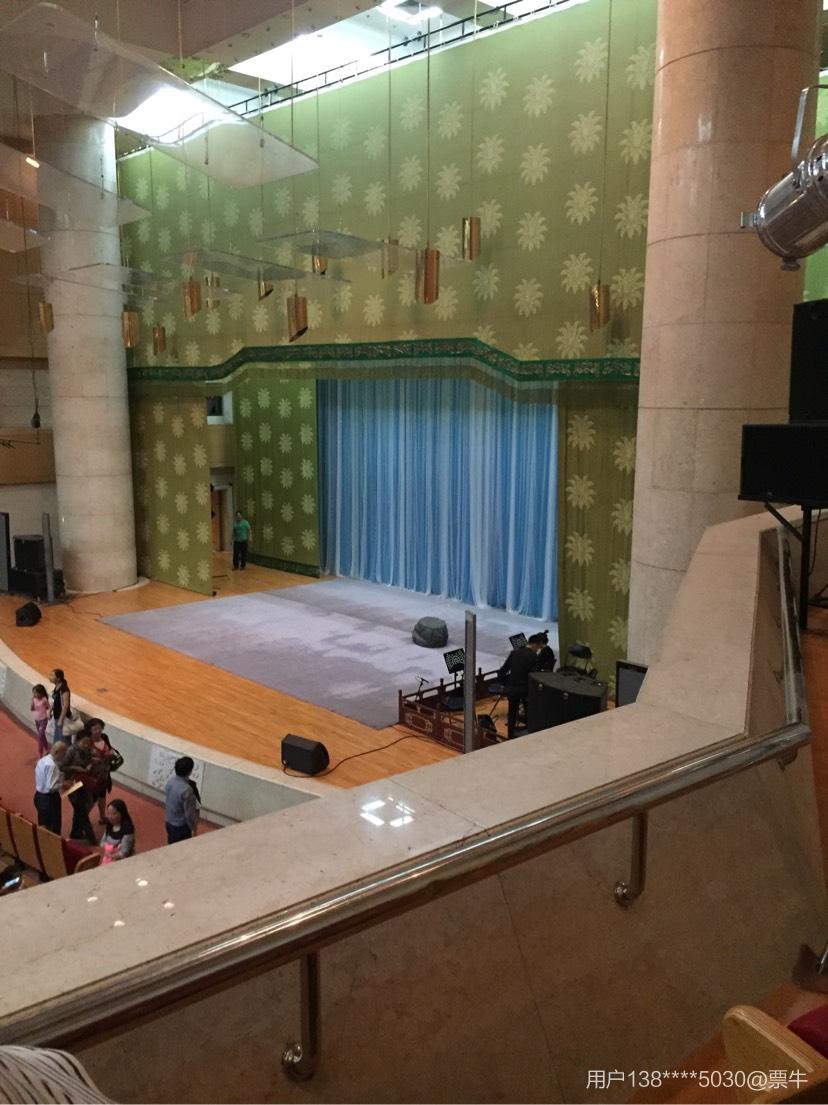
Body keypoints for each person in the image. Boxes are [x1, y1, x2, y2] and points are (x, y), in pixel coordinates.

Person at [498, 633, 544, 739]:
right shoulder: (533, 657)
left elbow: (502, 671)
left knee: (512, 713)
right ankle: (530, 734)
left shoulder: (514, 653)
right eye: (538, 648)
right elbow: (535, 676)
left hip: (512, 689)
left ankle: (510, 735)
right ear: (535, 645)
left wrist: (505, 684)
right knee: (530, 713)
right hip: (526, 690)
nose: (537, 650)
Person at [61, 736, 97, 844]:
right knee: (81, 810)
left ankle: (76, 832)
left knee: (79, 810)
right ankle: (91, 837)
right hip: (72, 784)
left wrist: (91, 764)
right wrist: (75, 768)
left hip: (82, 783)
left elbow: (89, 760)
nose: (86, 746)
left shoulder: (87, 750)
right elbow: (62, 767)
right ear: (80, 741)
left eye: (88, 744)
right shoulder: (71, 751)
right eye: (84, 743)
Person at [84, 718, 116, 825]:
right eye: (95, 729)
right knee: (91, 801)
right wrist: (100, 757)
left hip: (104, 774)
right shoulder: (87, 742)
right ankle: (83, 819)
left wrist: (110, 754)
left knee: (102, 796)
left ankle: (102, 816)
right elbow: (85, 759)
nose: (98, 731)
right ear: (90, 730)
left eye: (100, 728)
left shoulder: (104, 737)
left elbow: (110, 749)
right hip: (92, 778)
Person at [33, 741, 67, 836]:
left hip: (39, 796)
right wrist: (62, 784)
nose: (64, 756)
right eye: (63, 753)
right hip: (49, 800)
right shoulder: (52, 765)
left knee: (43, 825)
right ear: (57, 752)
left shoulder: (42, 760)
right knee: (53, 828)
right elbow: (51, 787)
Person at [164, 756, 199, 843]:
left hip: (169, 821)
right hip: (181, 826)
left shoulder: (170, 782)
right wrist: (193, 828)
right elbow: (189, 814)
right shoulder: (187, 790)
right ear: (190, 771)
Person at [99, 799, 135, 864]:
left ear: (121, 813)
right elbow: (102, 842)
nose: (110, 817)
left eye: (114, 814)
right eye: (108, 813)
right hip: (108, 858)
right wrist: (110, 849)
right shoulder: (110, 825)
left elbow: (124, 852)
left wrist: (110, 855)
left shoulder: (127, 829)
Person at [49, 669, 72, 745]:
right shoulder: (57, 687)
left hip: (63, 719)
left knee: (63, 741)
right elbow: (56, 701)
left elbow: (65, 705)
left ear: (58, 678)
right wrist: (50, 710)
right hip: (57, 718)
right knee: (57, 740)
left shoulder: (64, 689)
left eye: (52, 675)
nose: (50, 677)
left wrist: (61, 719)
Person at [30, 684, 51, 758]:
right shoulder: (34, 698)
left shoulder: (44, 699)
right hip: (37, 719)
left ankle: (40, 753)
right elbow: (32, 708)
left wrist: (48, 714)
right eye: (33, 693)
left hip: (43, 720)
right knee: (42, 735)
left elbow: (48, 707)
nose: (34, 694)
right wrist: (32, 705)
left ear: (41, 693)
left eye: (35, 693)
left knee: (39, 736)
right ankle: (47, 749)